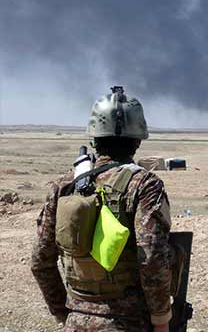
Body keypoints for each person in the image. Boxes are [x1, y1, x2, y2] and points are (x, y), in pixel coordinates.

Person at [31, 86, 173, 332]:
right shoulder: (144, 185)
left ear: (94, 139)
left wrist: (65, 313)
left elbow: (40, 261)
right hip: (129, 323)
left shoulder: (65, 186)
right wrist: (161, 321)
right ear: (138, 140)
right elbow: (151, 258)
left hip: (75, 321)